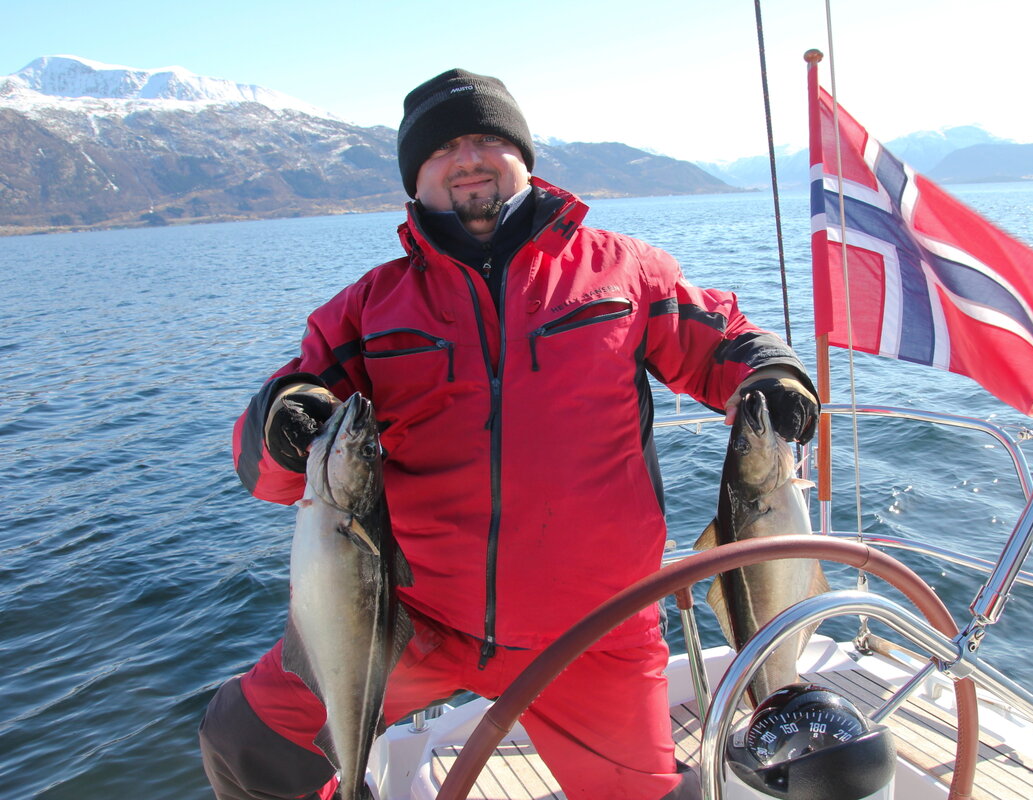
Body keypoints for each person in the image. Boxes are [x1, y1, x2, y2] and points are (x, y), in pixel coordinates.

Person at [199, 68, 819, 800]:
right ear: (415, 177)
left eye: (488, 138)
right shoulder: (369, 307)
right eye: (443, 148)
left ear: (524, 156)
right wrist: (280, 426)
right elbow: (267, 452)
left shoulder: (624, 273)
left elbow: (724, 342)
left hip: (595, 635)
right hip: (410, 624)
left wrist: (774, 377)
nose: (468, 158)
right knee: (241, 739)